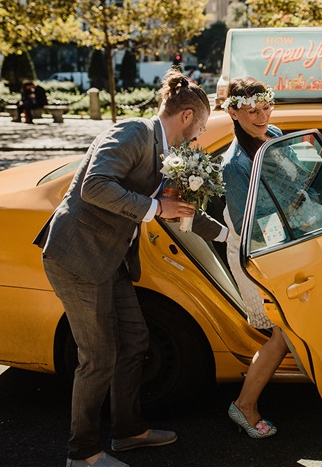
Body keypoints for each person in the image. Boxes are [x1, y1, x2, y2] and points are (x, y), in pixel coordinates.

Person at [33, 69, 228, 467]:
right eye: (202, 126)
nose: (198, 137)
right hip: (77, 257)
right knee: (98, 357)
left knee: (136, 340)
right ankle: (82, 453)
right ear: (187, 116)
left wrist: (231, 238)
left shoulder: (167, 154)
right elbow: (94, 186)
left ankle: (128, 432)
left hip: (111, 261)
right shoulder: (134, 132)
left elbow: (179, 210)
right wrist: (155, 207)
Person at [221, 76, 290, 439]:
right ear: (233, 112)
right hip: (260, 254)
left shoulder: (275, 133)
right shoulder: (233, 165)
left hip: (293, 240)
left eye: (266, 107)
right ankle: (244, 406)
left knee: (288, 330)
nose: (262, 117)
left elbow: (299, 180)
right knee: (283, 331)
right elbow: (256, 224)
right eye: (252, 111)